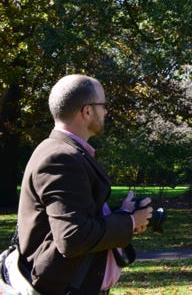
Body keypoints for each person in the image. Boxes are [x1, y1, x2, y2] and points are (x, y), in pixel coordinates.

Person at [14, 75, 153, 295]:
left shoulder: (60, 150)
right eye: (103, 105)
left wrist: (123, 213)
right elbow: (73, 237)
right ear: (87, 111)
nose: (106, 112)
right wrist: (129, 221)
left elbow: (78, 216)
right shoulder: (61, 157)